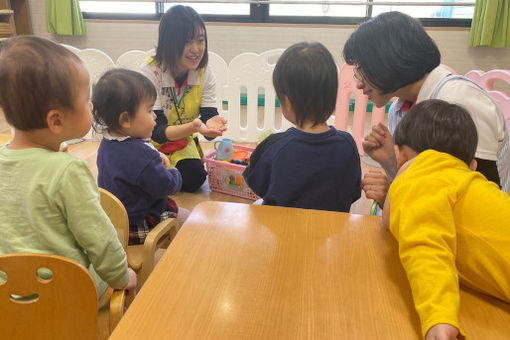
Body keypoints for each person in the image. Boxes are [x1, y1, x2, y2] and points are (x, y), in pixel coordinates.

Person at [0, 36, 136, 298]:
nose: (92, 105)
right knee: (123, 275)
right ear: (56, 120)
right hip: (61, 296)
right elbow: (101, 240)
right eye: (87, 99)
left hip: (7, 295)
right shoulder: (67, 171)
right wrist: (122, 276)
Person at [343, 11, 510, 207]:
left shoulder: (459, 101)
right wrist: (390, 163)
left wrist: (395, 200)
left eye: (361, 70)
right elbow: (417, 181)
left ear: (387, 61)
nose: (359, 84)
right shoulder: (400, 109)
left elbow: (480, 202)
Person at [381, 99, 510, 340]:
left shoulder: (423, 174)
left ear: (401, 156)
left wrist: (438, 317)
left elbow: (426, 246)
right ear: (472, 165)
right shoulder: (462, 182)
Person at [243, 42, 361, 212]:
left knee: (255, 208)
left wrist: (261, 153)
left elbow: (257, 185)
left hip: (282, 232)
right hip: (330, 232)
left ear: (288, 103)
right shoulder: (348, 144)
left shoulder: (274, 146)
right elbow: (353, 192)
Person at [93, 69, 190, 246]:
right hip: (137, 224)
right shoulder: (142, 155)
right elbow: (166, 186)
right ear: (126, 120)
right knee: (188, 220)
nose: (154, 116)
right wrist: (175, 172)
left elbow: (132, 165)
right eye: (150, 110)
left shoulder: (107, 143)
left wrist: (154, 156)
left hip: (114, 222)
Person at [140, 5, 227, 193]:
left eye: (200, 40)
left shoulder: (204, 73)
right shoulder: (150, 72)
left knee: (194, 178)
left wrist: (211, 128)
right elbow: (156, 132)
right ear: (169, 42)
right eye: (187, 42)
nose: (196, 49)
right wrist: (196, 127)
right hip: (150, 142)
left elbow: (208, 115)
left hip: (181, 142)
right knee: (145, 179)